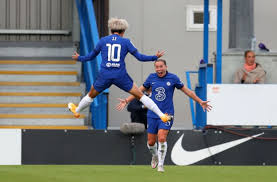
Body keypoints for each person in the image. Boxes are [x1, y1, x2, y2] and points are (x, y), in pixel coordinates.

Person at [68, 17, 172, 123]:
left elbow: (90, 56)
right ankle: (161, 115)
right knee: (140, 96)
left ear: (111, 30)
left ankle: (77, 110)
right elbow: (140, 57)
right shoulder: (126, 42)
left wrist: (79, 57)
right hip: (120, 75)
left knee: (90, 95)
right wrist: (154, 57)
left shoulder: (103, 41)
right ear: (123, 31)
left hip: (105, 75)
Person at [116, 59, 211, 172]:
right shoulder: (151, 78)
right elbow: (138, 91)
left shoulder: (173, 78)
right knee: (151, 142)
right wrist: (126, 100)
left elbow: (188, 91)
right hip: (152, 114)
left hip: (167, 114)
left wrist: (200, 101)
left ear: (166, 67)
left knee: (161, 137)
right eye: (157, 67)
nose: (159, 69)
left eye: (161, 66)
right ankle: (155, 156)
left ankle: (161, 164)